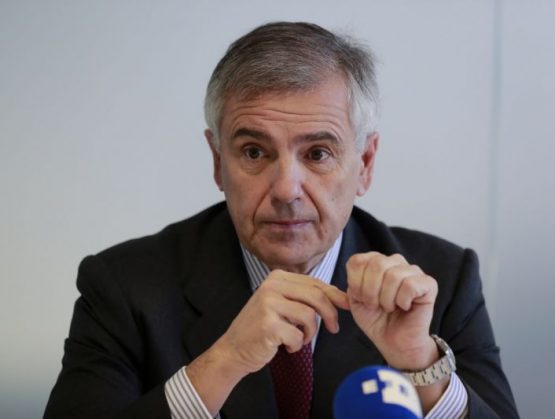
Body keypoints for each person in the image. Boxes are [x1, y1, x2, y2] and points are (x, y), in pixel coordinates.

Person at [44, 22, 518, 419]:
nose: (287, 190)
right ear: (218, 161)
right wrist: (224, 362)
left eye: (317, 153)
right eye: (254, 152)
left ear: (365, 164)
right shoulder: (124, 286)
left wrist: (421, 368)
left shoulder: (441, 281)